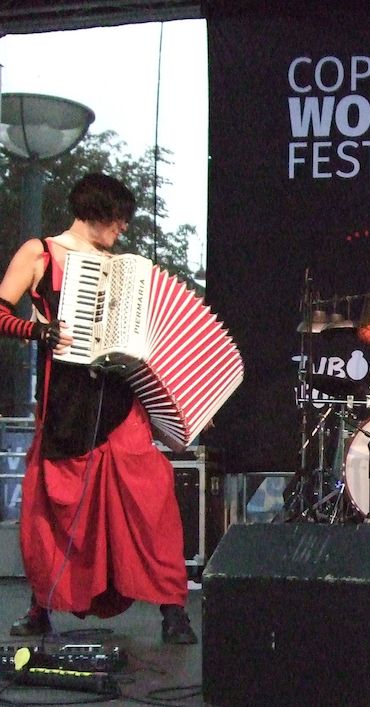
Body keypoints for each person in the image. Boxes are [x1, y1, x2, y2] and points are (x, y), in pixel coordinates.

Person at [0, 173, 196, 644]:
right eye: (120, 219)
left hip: (121, 401)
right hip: (67, 401)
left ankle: (173, 610)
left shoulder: (122, 269)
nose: (123, 228)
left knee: (152, 501)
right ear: (99, 211)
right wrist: (38, 331)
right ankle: (41, 608)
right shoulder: (40, 253)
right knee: (57, 507)